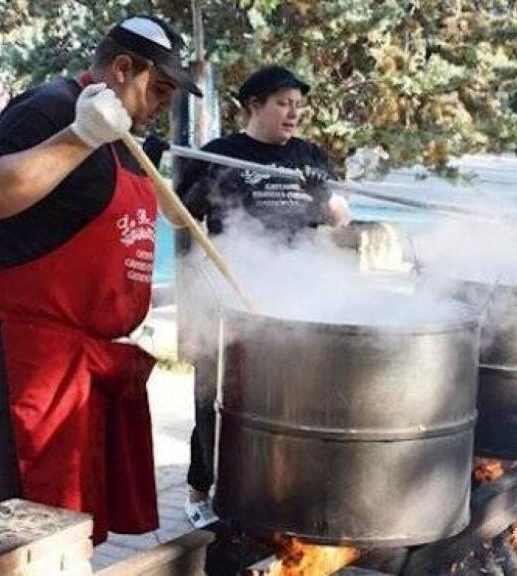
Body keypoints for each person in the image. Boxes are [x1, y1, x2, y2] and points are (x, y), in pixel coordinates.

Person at [0, 15, 202, 544]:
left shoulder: (127, 133)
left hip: (94, 358)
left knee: (76, 529)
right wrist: (78, 136)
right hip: (36, 359)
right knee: (34, 530)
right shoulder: (50, 109)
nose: (167, 101)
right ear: (123, 68)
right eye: (161, 86)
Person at [173, 65, 351, 528]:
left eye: (298, 105)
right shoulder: (219, 155)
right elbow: (179, 217)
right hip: (231, 293)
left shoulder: (310, 156)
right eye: (283, 103)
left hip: (296, 295)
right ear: (254, 105)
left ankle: (277, 487)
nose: (293, 113)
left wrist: (328, 202)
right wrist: (159, 172)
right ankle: (200, 490)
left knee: (290, 398)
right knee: (215, 396)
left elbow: (340, 218)